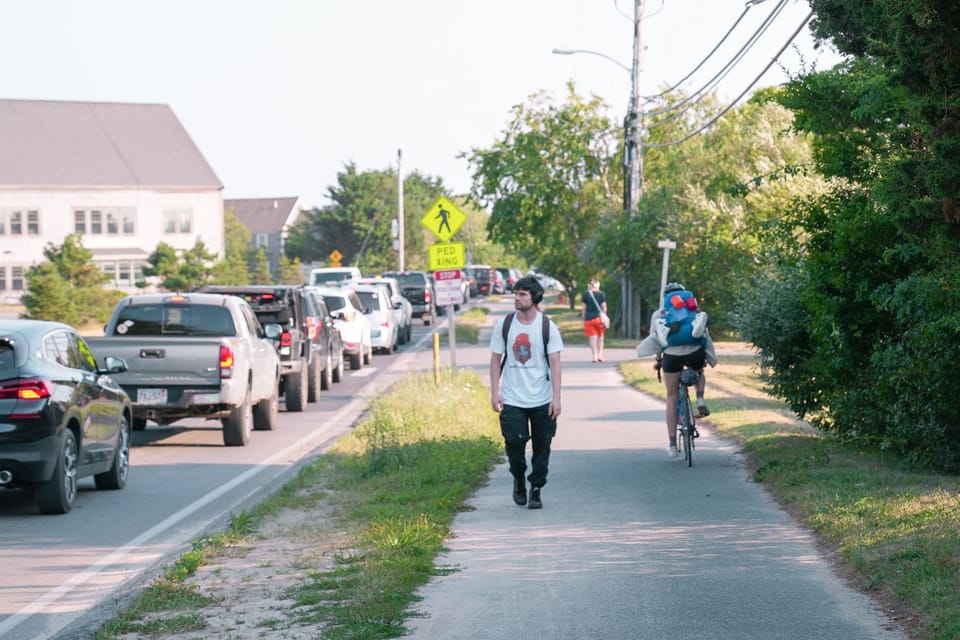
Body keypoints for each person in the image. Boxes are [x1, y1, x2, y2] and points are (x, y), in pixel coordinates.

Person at [489, 275, 564, 509]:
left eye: (522, 294)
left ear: (534, 297)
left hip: (541, 398)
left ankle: (536, 489)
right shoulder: (506, 324)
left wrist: (556, 397)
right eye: (516, 293)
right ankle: (519, 479)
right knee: (514, 444)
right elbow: (495, 359)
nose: (517, 298)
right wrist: (494, 391)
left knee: (542, 447)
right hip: (512, 397)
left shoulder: (547, 326)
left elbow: (555, 362)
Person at [637, 282, 716, 458]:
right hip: (695, 352)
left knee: (672, 397)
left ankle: (672, 444)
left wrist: (659, 360)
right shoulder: (694, 311)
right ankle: (700, 397)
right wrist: (710, 357)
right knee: (700, 371)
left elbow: (656, 340)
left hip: (672, 356)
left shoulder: (659, 314)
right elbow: (706, 336)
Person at [582, 278, 607, 362]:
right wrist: (604, 317)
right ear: (598, 285)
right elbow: (604, 307)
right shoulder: (601, 294)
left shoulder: (586, 295)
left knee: (592, 338)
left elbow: (583, 308)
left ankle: (594, 356)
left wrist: (583, 319)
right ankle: (600, 355)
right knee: (600, 337)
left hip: (589, 319)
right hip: (599, 319)